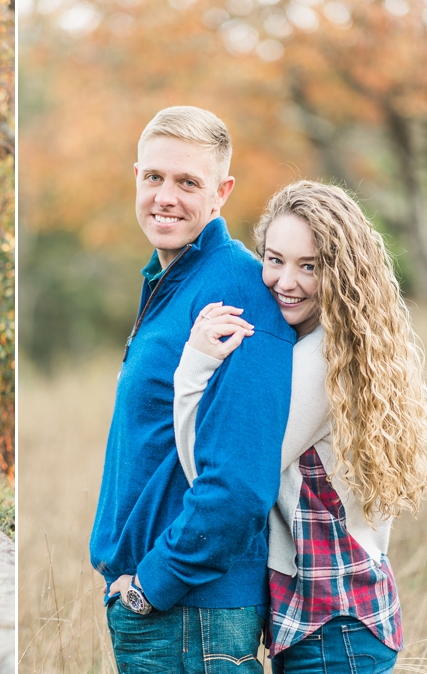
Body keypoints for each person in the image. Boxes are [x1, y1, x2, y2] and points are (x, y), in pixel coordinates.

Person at [173, 180, 427, 673]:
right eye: (274, 260)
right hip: (346, 618)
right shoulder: (351, 346)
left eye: (309, 266)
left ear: (341, 273)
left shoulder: (320, 360)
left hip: (333, 632)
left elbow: (222, 477)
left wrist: (194, 369)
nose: (283, 281)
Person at [88, 106, 298, 673]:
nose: (166, 196)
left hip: (191, 615)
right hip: (164, 614)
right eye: (154, 177)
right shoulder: (167, 281)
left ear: (221, 192)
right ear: (136, 176)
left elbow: (241, 482)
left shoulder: (237, 289)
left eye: (188, 182)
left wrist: (152, 585)